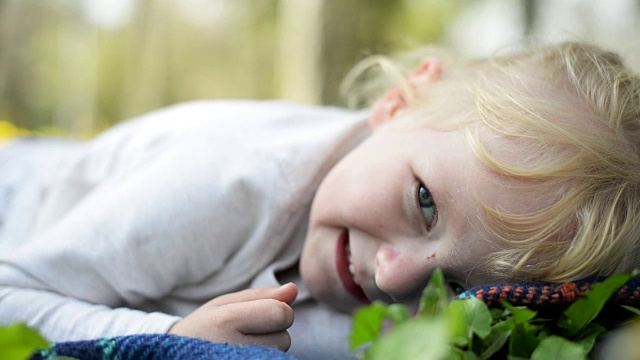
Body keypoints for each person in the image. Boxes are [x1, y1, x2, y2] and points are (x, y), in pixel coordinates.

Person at [1, 41, 639, 359]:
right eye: (424, 203)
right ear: (399, 103)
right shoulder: (231, 177)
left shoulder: (406, 315)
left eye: (459, 284)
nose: (397, 277)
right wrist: (172, 338)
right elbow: (9, 296)